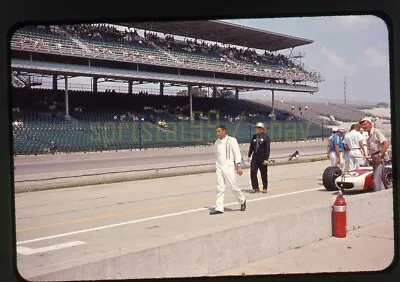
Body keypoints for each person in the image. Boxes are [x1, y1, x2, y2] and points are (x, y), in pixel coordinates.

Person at [210, 125, 246, 215]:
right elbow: (217, 155)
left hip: (229, 166)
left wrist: (238, 165)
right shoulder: (217, 142)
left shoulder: (232, 140)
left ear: (224, 131)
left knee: (233, 186)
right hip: (219, 166)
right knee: (220, 187)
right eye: (216, 132)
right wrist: (218, 166)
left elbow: (237, 153)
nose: (217, 133)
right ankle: (219, 208)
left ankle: (242, 200)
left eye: (219, 131)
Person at [359, 117, 390, 192]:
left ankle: (376, 195)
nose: (363, 126)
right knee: (379, 180)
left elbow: (386, 144)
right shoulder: (369, 135)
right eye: (362, 125)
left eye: (364, 124)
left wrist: (380, 155)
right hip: (374, 158)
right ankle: (382, 196)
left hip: (379, 159)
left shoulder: (376, 132)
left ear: (370, 124)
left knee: (376, 180)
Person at [247, 122, 271, 193]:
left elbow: (267, 149)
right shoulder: (254, 137)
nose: (257, 129)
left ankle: (265, 187)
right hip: (255, 158)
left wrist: (266, 159)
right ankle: (255, 187)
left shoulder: (266, 137)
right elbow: (251, 147)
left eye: (259, 128)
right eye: (257, 128)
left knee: (263, 173)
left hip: (263, 158)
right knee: (253, 172)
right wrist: (249, 155)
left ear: (263, 129)